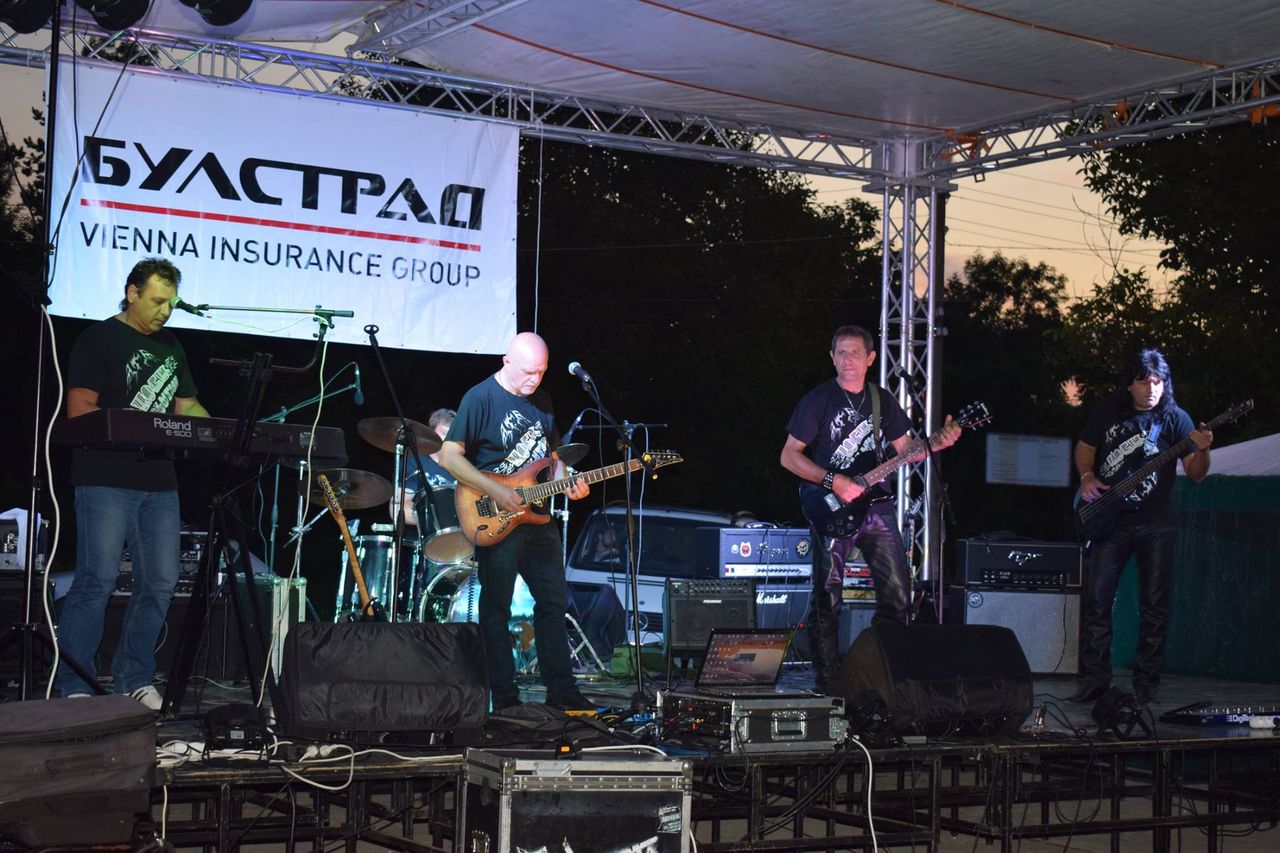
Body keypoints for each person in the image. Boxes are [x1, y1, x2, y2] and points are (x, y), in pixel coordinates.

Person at [55, 257, 209, 709]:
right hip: (105, 477)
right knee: (96, 580)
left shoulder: (171, 346)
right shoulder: (98, 339)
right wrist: (128, 426)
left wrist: (221, 431)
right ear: (132, 293)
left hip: (160, 480)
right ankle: (75, 683)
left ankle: (134, 678)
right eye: (158, 301)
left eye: (172, 303)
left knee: (160, 582)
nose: (165, 311)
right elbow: (79, 409)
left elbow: (187, 406)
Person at [780, 325, 960, 692]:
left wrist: (936, 444)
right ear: (832, 358)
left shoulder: (882, 401)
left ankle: (880, 672)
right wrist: (833, 480)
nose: (847, 360)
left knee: (898, 595)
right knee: (828, 596)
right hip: (831, 506)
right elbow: (788, 457)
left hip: (877, 505)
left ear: (870, 359)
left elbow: (907, 451)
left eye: (855, 353)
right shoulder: (818, 400)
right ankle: (829, 680)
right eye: (841, 353)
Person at [437, 332, 594, 712]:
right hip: (496, 514)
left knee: (554, 602)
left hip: (538, 517)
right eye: (527, 372)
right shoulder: (480, 398)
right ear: (507, 361)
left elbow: (552, 458)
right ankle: (505, 697)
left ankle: (562, 691)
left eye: (541, 372)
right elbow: (450, 456)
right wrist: (496, 489)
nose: (534, 380)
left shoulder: (542, 400)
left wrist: (569, 480)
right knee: (497, 608)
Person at [1070, 348, 1212, 705]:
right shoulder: (1108, 410)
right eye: (1144, 382)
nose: (1152, 389)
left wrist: (1203, 450)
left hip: (1157, 523)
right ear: (1129, 384)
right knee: (1098, 600)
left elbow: (1196, 474)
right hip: (1110, 521)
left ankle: (1147, 682)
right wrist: (1086, 477)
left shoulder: (1177, 418)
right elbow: (1085, 446)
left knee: (1154, 604)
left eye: (1158, 382)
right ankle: (1095, 680)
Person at [394, 407, 457, 531]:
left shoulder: (464, 467)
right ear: (431, 434)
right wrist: (438, 519)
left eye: (453, 434)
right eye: (445, 433)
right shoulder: (414, 462)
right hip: (427, 536)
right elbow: (397, 508)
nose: (449, 439)